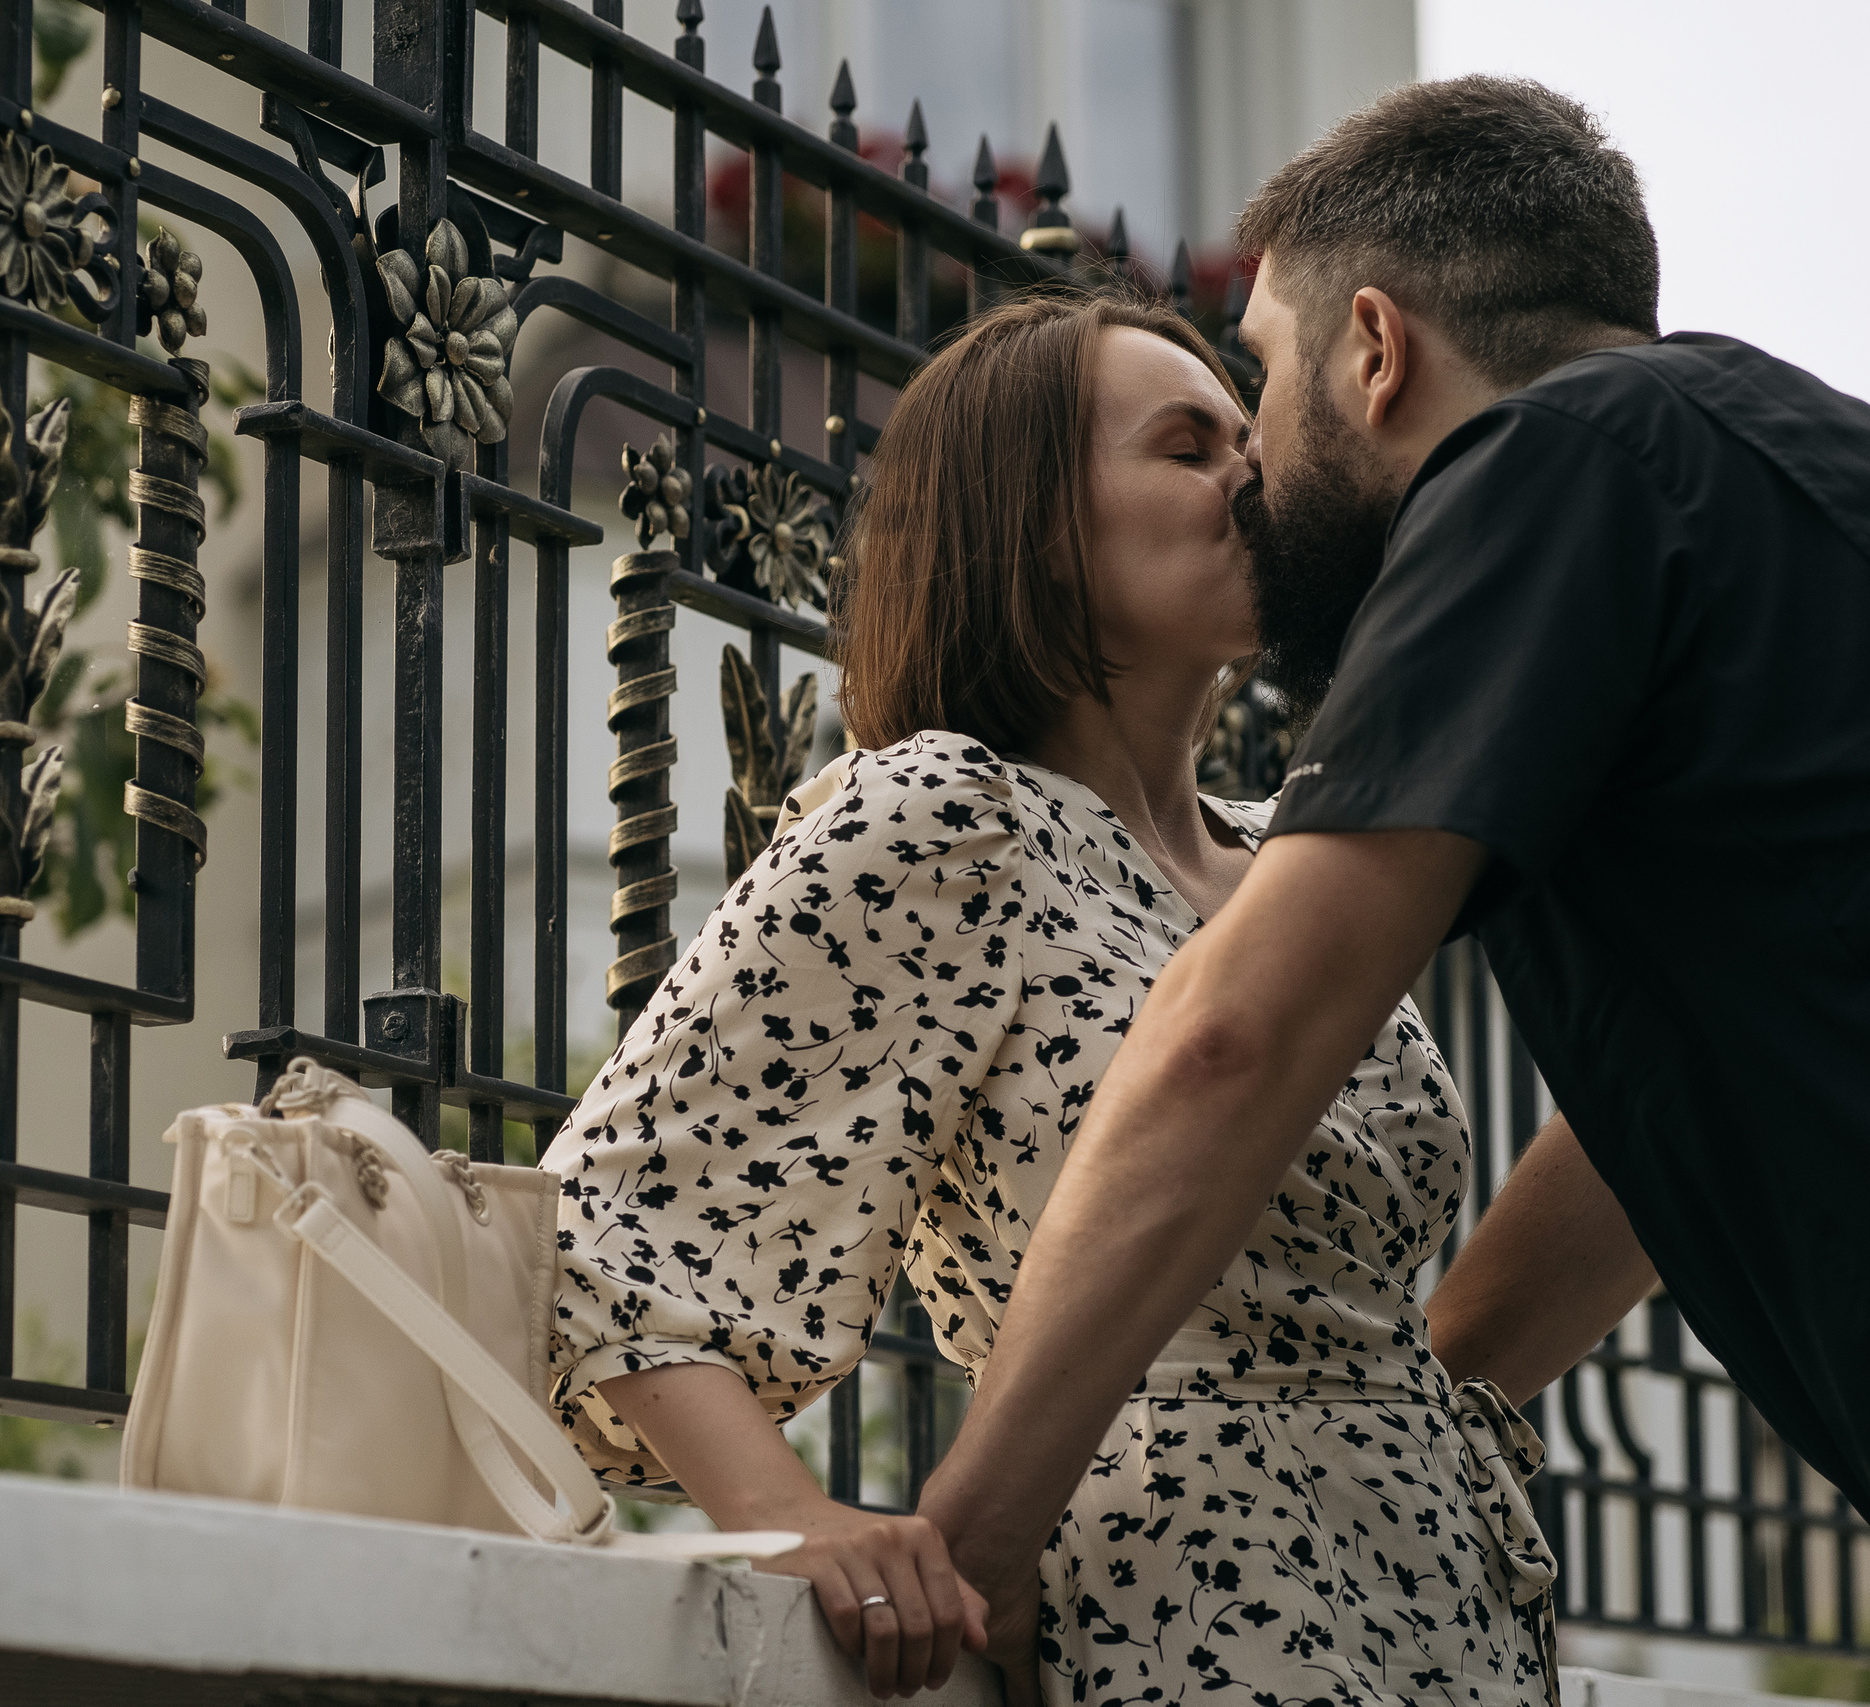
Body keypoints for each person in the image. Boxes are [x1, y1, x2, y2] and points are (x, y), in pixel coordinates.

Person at [912, 75, 1870, 1707]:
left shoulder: (1550, 465)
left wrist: (978, 1536)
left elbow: (1237, 1035)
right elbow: (1690, 1093)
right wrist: (1424, 1409)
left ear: (1375, 347)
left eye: (1260, 382)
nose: (1254, 471)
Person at [542, 292, 1560, 1707]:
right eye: (1187, 446)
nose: (1251, 480)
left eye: (1246, 444)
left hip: (1444, 1600)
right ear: (1032, 521)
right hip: (1181, 1601)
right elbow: (605, 1229)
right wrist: (796, 1522)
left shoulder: (1290, 865)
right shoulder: (943, 817)